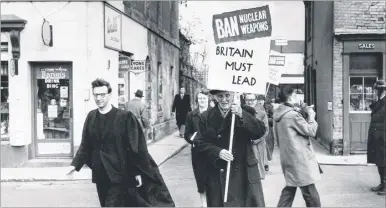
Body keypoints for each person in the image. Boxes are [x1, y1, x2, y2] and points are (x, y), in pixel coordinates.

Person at [65, 78, 175, 207]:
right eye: (96, 95)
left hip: (120, 175)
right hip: (101, 175)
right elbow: (85, 145)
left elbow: (136, 148)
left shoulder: (124, 117)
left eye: (102, 94)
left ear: (110, 95)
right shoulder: (91, 117)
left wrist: (137, 172)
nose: (99, 98)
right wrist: (74, 165)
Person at [195, 90, 267, 207]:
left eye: (227, 95)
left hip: (243, 171)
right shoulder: (205, 117)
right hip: (217, 172)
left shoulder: (245, 112)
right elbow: (199, 143)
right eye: (220, 96)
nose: (224, 100)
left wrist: (241, 114)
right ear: (215, 97)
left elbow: (259, 132)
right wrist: (218, 152)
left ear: (233, 95)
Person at [273, 85, 321, 207]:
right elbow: (311, 131)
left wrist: (300, 111)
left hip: (288, 157)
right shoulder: (293, 115)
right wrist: (311, 117)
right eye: (296, 95)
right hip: (300, 159)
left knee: (290, 188)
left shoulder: (279, 113)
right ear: (291, 97)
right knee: (310, 191)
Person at [184, 89, 211, 207]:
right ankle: (204, 205)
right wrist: (192, 139)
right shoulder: (191, 115)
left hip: (212, 151)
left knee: (212, 179)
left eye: (204, 98)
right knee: (201, 179)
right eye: (200, 98)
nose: (202, 100)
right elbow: (187, 134)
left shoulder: (214, 113)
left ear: (208, 99)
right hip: (198, 152)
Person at [367, 80, 386, 195]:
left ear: (382, 90)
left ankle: (385, 185)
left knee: (384, 161)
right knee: (379, 160)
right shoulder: (380, 101)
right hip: (377, 135)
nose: (375, 92)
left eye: (376, 90)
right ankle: (382, 183)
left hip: (383, 136)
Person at [244, 93, 270, 176]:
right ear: (245, 100)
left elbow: (266, 130)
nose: (250, 102)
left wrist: (256, 140)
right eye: (248, 100)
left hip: (257, 144)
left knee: (257, 165)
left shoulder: (261, 113)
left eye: (252, 100)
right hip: (243, 143)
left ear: (256, 101)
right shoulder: (240, 111)